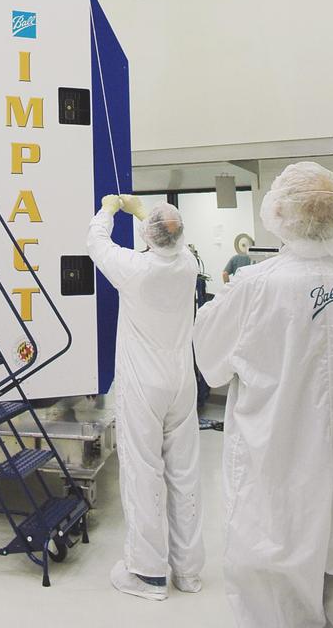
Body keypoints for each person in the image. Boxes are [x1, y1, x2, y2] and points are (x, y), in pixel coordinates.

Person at [193, 163, 333, 628]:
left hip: (277, 467)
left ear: (278, 213)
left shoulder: (254, 285)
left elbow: (211, 364)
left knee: (275, 587)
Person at [87, 195, 204, 601]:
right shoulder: (188, 265)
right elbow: (168, 234)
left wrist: (108, 209)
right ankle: (189, 572)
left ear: (146, 237)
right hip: (181, 381)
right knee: (185, 474)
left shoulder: (136, 270)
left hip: (144, 385)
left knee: (143, 472)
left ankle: (148, 573)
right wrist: (140, 211)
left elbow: (96, 243)